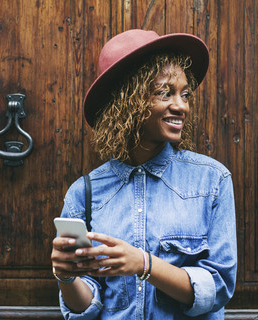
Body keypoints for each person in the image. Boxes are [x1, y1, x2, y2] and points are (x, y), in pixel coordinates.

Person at [51, 29, 237, 319]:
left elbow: (218, 288)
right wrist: (65, 278)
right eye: (165, 93)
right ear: (128, 100)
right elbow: (84, 309)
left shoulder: (212, 181)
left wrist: (144, 264)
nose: (181, 105)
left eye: (185, 94)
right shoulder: (84, 193)